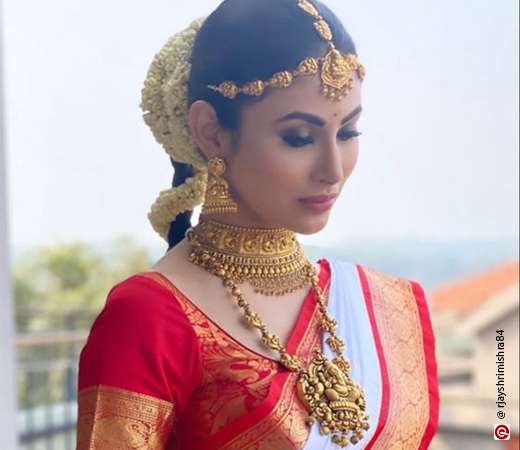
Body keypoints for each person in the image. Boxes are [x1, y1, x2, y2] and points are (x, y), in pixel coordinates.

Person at [76, 0, 439, 449]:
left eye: (348, 133)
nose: (333, 169)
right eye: (299, 138)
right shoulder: (150, 318)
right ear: (211, 132)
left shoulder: (383, 305)